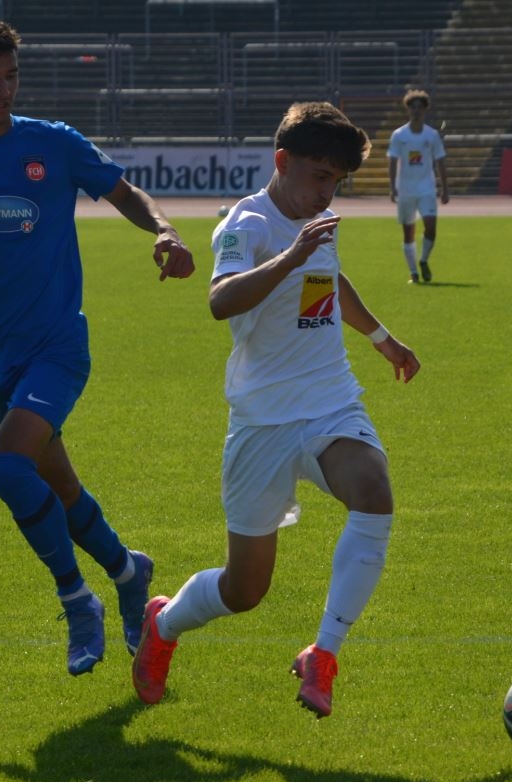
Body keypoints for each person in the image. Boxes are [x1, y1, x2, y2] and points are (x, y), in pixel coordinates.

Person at [0, 16, 195, 676]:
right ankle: (128, 570)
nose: (2, 90)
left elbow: (125, 191)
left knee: (7, 466)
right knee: (58, 485)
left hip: (56, 345)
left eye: (10, 76)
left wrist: (165, 230)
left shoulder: (53, 142)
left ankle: (77, 600)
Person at [132, 102, 421, 718]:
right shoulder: (246, 224)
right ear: (282, 161)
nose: (326, 192)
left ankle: (324, 654)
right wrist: (289, 256)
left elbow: (328, 279)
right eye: (319, 176)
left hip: (329, 401)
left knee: (374, 490)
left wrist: (381, 338)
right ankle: (164, 624)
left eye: (336, 181)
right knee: (245, 590)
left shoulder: (318, 222)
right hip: (262, 419)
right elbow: (220, 300)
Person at [387, 89, 449, 284]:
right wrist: (392, 187)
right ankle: (413, 272)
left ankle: (423, 260)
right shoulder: (399, 135)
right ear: (407, 109)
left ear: (425, 110)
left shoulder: (432, 135)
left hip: (426, 189)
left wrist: (445, 188)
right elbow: (392, 161)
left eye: (419, 107)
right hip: (406, 190)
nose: (416, 111)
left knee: (431, 227)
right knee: (408, 233)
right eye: (412, 107)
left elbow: (440, 161)